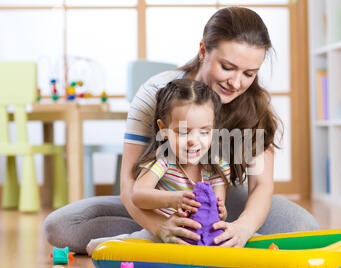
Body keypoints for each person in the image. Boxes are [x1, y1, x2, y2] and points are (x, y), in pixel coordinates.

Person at [44, 7, 319, 254]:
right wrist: (162, 227)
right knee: (61, 226)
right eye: (227, 67)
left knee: (303, 226)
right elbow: (130, 183)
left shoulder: (254, 105)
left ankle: (195, 236)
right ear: (203, 50)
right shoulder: (157, 92)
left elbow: (261, 185)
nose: (236, 83)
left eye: (249, 73)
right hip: (157, 196)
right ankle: (150, 234)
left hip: (220, 204)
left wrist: (243, 228)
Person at [85, 78, 231, 255]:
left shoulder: (216, 166)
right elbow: (138, 195)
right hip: (163, 233)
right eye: (183, 132)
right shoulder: (163, 160)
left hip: (201, 238)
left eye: (204, 132)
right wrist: (174, 199)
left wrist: (220, 211)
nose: (194, 140)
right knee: (114, 247)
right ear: (163, 129)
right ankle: (107, 246)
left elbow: (217, 211)